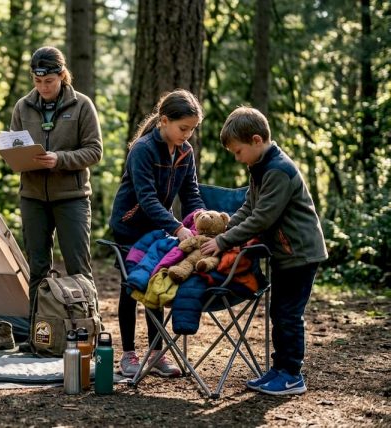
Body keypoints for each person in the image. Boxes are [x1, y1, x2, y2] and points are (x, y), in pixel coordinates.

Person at [201, 106, 328, 395]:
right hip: (284, 254)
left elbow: (262, 218)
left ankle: (292, 375)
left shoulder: (278, 170)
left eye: (238, 151)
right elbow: (249, 207)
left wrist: (223, 242)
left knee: (289, 314)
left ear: (256, 140)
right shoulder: (259, 167)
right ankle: (279, 369)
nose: (237, 158)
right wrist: (223, 228)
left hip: (301, 253)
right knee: (278, 312)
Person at [6, 46, 102, 351]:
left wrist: (59, 159)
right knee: (37, 268)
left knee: (78, 267)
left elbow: (94, 151)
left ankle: (87, 334)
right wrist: (17, 157)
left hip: (72, 197)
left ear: (62, 76)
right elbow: (13, 146)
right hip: (32, 197)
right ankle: (38, 336)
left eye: (48, 81)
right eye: (38, 82)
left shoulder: (82, 105)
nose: (43, 87)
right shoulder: (23, 107)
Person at [109, 89, 205, 377]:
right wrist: (177, 227)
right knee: (131, 286)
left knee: (157, 282)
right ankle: (128, 354)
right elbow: (147, 198)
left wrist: (200, 220)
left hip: (158, 226)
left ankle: (156, 354)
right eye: (183, 128)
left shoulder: (186, 152)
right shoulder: (143, 149)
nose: (187, 135)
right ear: (164, 121)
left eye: (192, 129)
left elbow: (191, 194)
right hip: (129, 226)